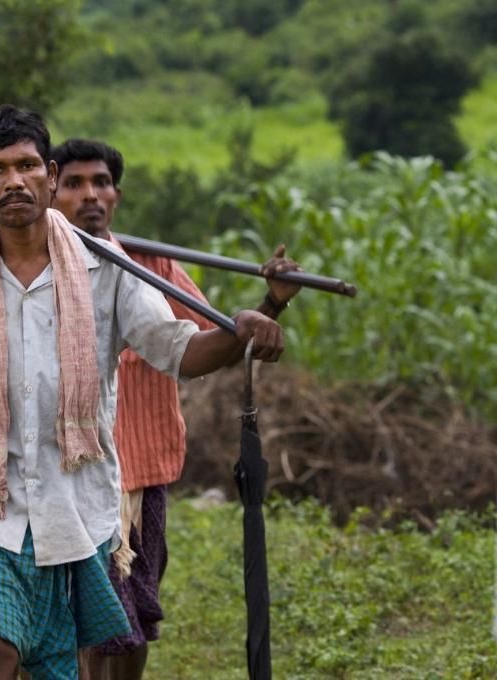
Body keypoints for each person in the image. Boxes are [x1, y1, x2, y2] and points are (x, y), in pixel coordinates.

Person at [0, 106, 285, 680]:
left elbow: (182, 351)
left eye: (28, 166)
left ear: (49, 175)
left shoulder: (106, 270)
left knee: (69, 668)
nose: (14, 181)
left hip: (78, 512)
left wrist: (260, 316)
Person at [49, 138, 302, 680]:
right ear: (50, 190)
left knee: (133, 612)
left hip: (138, 468)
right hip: (58, 472)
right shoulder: (24, 264)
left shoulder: (148, 266)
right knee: (66, 621)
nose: (90, 195)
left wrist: (268, 306)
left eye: (101, 183)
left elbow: (205, 342)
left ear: (116, 195)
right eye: (74, 184)